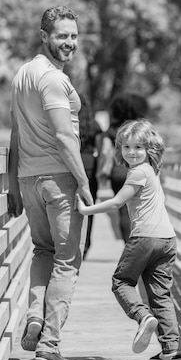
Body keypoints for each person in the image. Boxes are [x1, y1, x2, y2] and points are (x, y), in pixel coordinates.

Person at [7, 5, 93, 360]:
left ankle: (34, 318)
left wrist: (14, 185)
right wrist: (84, 183)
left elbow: (15, 135)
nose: (69, 42)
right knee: (68, 262)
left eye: (73, 36)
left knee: (43, 252)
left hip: (29, 180)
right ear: (44, 36)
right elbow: (62, 135)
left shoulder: (21, 75)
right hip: (59, 181)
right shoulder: (52, 78)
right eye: (61, 36)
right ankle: (49, 344)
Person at [76, 119, 181, 360]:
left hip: (145, 237)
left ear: (150, 149)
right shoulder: (154, 171)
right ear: (119, 148)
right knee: (161, 294)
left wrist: (85, 210)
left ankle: (142, 316)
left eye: (138, 148)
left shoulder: (138, 172)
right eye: (126, 147)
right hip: (167, 239)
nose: (131, 153)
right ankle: (170, 350)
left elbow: (116, 202)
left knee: (121, 282)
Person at [96, 93, 149, 242]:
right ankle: (140, 247)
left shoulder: (112, 132)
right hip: (141, 172)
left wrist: (102, 173)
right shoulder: (142, 130)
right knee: (142, 211)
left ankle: (129, 246)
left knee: (125, 212)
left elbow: (106, 152)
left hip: (119, 173)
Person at [78, 95, 102, 260]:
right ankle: (85, 245)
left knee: (71, 207)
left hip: (71, 165)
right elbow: (100, 150)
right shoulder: (94, 126)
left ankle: (72, 245)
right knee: (89, 207)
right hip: (90, 166)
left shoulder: (66, 123)